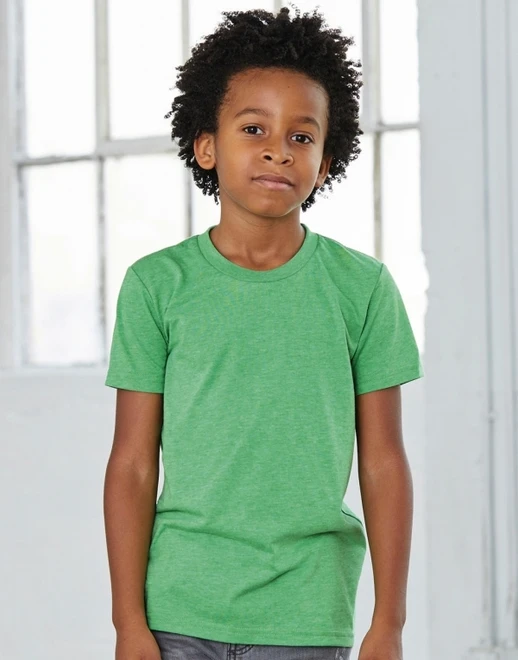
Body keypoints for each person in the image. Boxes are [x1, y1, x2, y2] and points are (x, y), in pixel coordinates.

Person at [103, 5, 424, 660]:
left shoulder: (362, 288)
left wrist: (389, 623)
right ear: (207, 146)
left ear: (326, 161)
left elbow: (384, 463)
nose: (279, 148)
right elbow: (132, 464)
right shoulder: (156, 286)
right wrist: (127, 623)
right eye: (254, 128)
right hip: (179, 610)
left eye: (302, 136)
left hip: (306, 615)